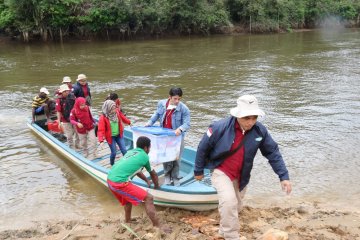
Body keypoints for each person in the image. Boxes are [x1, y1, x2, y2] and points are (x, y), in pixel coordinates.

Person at [194, 95, 292, 240]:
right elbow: (203, 147)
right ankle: (231, 236)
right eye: (247, 118)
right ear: (238, 115)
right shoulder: (219, 127)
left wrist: (283, 176)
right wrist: (198, 170)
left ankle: (223, 230)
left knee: (236, 206)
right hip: (221, 170)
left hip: (242, 175)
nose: (251, 122)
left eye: (254, 118)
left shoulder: (260, 131)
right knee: (228, 202)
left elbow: (272, 152)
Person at [107, 136, 162, 228]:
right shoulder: (145, 156)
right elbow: (154, 174)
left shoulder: (131, 152)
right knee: (149, 198)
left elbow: (137, 170)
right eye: (149, 147)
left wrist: (146, 180)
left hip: (110, 180)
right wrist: (157, 186)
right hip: (119, 183)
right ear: (145, 148)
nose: (149, 149)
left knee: (128, 201)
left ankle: (128, 221)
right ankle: (157, 226)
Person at [145, 87, 190, 186]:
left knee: (176, 159)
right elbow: (156, 114)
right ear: (169, 97)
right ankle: (167, 176)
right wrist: (150, 123)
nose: (177, 101)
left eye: (179, 99)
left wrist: (180, 129)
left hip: (178, 138)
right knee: (166, 157)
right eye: (175, 99)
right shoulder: (161, 104)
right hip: (164, 136)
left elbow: (187, 124)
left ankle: (175, 177)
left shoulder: (184, 109)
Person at [98, 100, 131, 166]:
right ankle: (112, 164)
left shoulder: (117, 112)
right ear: (108, 109)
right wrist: (101, 141)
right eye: (112, 109)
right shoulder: (103, 117)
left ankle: (128, 163)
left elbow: (123, 117)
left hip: (119, 135)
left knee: (124, 150)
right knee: (114, 153)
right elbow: (101, 130)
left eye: (115, 108)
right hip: (110, 137)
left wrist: (129, 122)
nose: (115, 110)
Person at [55, 84, 78, 149]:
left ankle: (77, 145)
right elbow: (58, 111)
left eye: (67, 91)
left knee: (77, 132)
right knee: (69, 135)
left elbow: (77, 106)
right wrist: (59, 122)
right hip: (65, 120)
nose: (67, 92)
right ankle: (71, 147)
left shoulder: (73, 97)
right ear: (62, 92)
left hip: (74, 118)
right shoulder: (59, 100)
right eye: (65, 91)